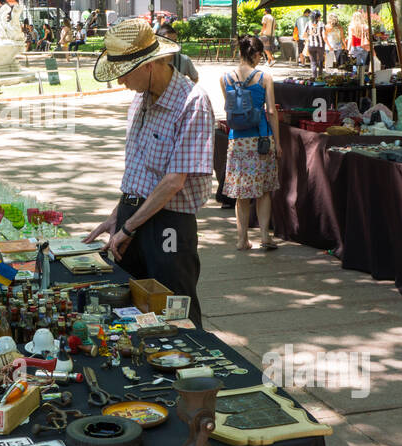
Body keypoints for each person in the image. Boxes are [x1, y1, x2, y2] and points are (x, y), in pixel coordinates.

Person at [84, 18, 214, 326]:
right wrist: (118, 214)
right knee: (132, 309)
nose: (120, 83)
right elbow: (139, 173)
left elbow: (172, 182)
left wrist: (128, 226)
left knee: (174, 310)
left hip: (168, 223)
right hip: (134, 215)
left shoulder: (193, 102)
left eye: (124, 74)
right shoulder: (139, 100)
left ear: (149, 66)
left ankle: (193, 367)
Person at [220, 36, 280, 250]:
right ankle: (265, 236)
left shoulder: (225, 78)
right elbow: (271, 112)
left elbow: (230, 109)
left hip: (237, 141)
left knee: (241, 193)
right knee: (263, 191)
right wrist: (278, 143)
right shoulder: (265, 77)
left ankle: (242, 239)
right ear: (256, 54)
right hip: (261, 139)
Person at [304, 9, 327, 79]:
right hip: (320, 46)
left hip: (311, 45)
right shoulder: (321, 24)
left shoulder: (308, 23)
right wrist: (327, 44)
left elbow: (304, 35)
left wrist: (307, 39)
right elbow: (324, 36)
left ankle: (314, 77)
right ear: (318, 17)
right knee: (320, 61)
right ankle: (320, 76)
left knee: (313, 62)